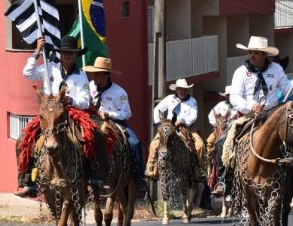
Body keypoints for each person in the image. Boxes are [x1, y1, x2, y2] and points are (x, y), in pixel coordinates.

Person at [15, 35, 96, 197]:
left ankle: (91, 177)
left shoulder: (81, 75)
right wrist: (37, 51)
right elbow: (27, 73)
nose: (67, 55)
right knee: (23, 139)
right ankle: (27, 183)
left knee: (91, 136)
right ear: (60, 53)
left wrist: (70, 99)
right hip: (48, 112)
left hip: (70, 112)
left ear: (76, 55)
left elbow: (85, 101)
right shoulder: (49, 67)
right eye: (64, 52)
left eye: (71, 52)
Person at [222, 36, 293, 172]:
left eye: (256, 52)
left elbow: (287, 90)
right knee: (223, 141)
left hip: (273, 115)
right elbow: (235, 96)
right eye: (250, 52)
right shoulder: (241, 72)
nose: (252, 55)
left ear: (264, 55)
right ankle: (225, 177)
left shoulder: (276, 69)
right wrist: (251, 106)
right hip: (249, 116)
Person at [83, 56, 147, 194]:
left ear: (106, 75)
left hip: (116, 122)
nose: (94, 76)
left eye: (98, 74)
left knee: (135, 143)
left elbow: (127, 113)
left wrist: (109, 114)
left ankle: (140, 177)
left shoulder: (120, 92)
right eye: (94, 73)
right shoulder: (90, 86)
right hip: (94, 120)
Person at [145, 78, 205, 182]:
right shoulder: (169, 99)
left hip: (187, 127)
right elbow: (157, 109)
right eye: (180, 89)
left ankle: (198, 170)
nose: (183, 92)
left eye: (185, 89)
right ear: (176, 90)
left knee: (200, 145)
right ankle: (150, 168)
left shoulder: (192, 101)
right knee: (154, 144)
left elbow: (194, 115)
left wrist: (181, 121)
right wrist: (160, 123)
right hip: (169, 127)